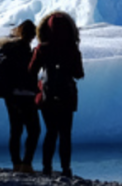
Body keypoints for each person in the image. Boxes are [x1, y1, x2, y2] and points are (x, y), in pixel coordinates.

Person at [28, 11, 84, 178]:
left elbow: (31, 71)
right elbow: (79, 73)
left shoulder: (42, 48)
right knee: (65, 134)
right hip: (67, 95)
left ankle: (46, 167)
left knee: (51, 132)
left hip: (47, 95)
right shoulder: (72, 48)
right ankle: (66, 169)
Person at [0, 19, 40, 173]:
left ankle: (16, 163)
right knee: (34, 130)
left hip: (10, 96)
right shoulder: (25, 51)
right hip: (26, 95)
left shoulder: (8, 49)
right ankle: (26, 163)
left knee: (16, 130)